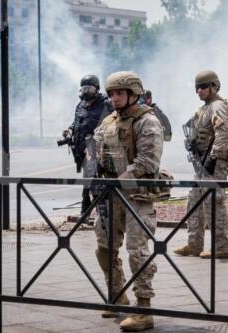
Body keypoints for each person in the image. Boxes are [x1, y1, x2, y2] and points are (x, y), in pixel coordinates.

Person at [93, 71, 164, 332]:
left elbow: (147, 162)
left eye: (119, 93)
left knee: (138, 253)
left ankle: (144, 309)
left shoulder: (148, 122)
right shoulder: (109, 121)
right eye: (111, 93)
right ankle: (117, 294)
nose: (114, 98)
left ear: (134, 93)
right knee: (104, 247)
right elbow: (97, 152)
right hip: (112, 196)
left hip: (137, 196)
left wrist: (118, 182)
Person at [174, 70, 228, 259]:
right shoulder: (205, 108)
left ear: (213, 86)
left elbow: (223, 135)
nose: (198, 91)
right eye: (196, 88)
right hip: (202, 162)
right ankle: (194, 244)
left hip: (213, 163)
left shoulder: (217, 106)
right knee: (195, 201)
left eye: (202, 87)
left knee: (213, 202)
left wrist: (213, 157)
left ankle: (221, 246)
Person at [63, 75, 112, 215]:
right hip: (82, 151)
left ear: (96, 89)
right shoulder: (80, 105)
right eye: (84, 88)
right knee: (88, 180)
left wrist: (98, 142)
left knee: (95, 182)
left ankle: (98, 213)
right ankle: (88, 210)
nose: (86, 92)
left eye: (89, 88)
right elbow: (76, 121)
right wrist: (70, 130)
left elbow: (113, 124)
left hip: (100, 150)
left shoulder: (106, 104)